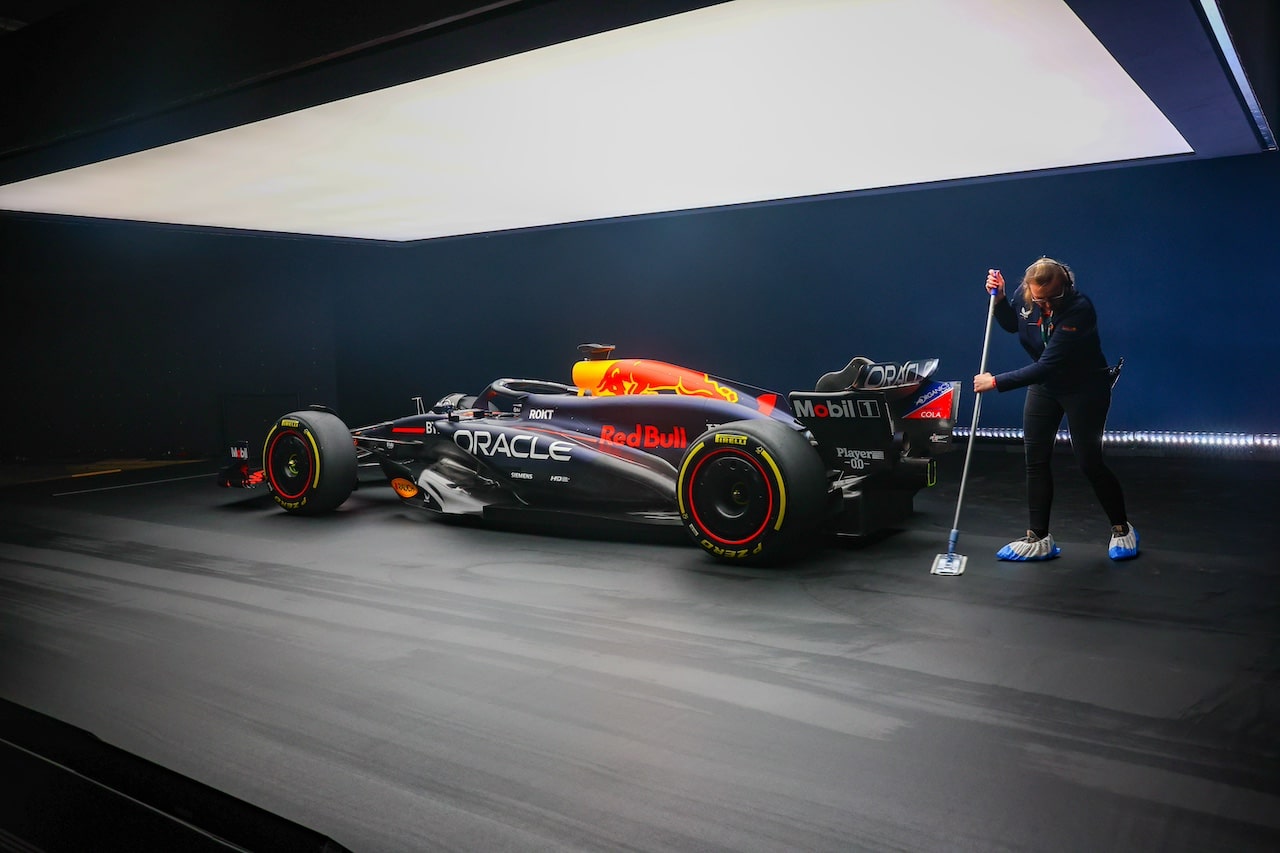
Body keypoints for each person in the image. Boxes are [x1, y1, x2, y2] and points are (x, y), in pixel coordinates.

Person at [973, 258, 1138, 561]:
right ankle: (1039, 538)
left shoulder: (1080, 309)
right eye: (1039, 299)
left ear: (1067, 288)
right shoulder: (1028, 297)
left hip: (1084, 389)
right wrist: (998, 299)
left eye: (1052, 299)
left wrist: (995, 381)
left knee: (1089, 462)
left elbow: (1048, 364)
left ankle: (1122, 529)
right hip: (1047, 387)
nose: (1045, 305)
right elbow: (1013, 324)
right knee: (1034, 458)